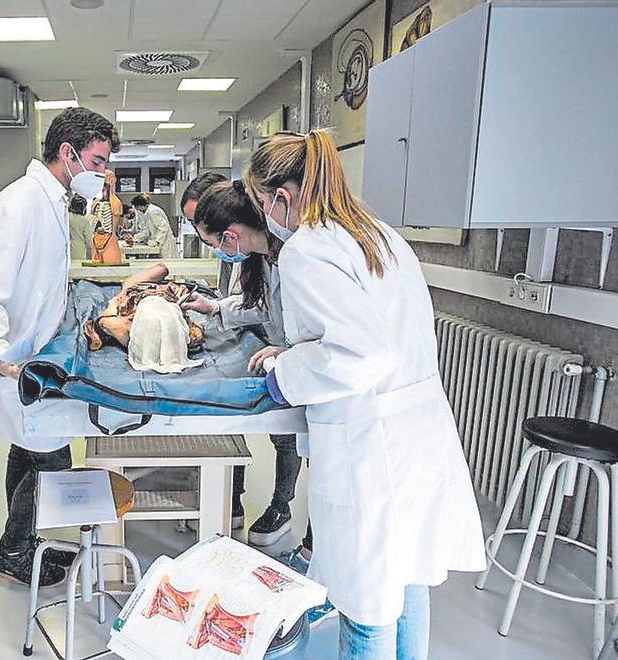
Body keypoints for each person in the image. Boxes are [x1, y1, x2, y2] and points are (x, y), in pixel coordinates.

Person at [240, 129, 484, 659]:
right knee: (408, 581)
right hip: (416, 432)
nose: (266, 219)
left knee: (366, 604)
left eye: (261, 205)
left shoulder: (309, 248)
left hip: (371, 447)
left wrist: (284, 374)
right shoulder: (378, 234)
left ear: (280, 197)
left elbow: (360, 353)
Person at [0, 107, 119, 588]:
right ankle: (14, 552)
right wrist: (3, 357)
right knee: (50, 460)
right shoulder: (18, 204)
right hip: (21, 362)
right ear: (67, 153)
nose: (101, 174)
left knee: (26, 453)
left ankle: (20, 547)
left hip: (40, 351)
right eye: (96, 162)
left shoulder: (52, 199)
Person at [182, 181, 302, 549]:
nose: (218, 251)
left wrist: (289, 353)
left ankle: (286, 512)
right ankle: (231, 500)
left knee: (296, 440)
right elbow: (265, 305)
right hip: (290, 356)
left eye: (215, 242)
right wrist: (217, 308)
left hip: (322, 376)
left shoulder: (304, 254)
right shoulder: (263, 257)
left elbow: (326, 332)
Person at [130, 194, 178, 258]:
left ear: (140, 206)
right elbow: (147, 230)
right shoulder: (147, 211)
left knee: (167, 264)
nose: (137, 210)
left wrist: (157, 241)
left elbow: (164, 228)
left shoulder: (153, 211)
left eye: (136, 207)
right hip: (160, 244)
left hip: (165, 243)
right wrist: (135, 238)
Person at [67, 194, 94, 260]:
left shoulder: (66, 217)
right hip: (79, 251)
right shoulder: (84, 220)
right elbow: (88, 241)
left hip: (66, 249)